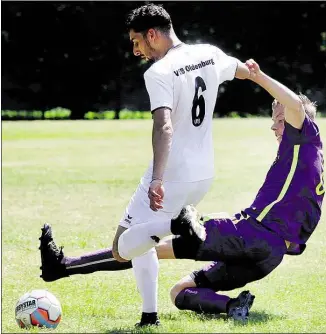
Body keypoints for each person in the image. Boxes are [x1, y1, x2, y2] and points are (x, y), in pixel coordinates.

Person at [39, 58, 324, 323]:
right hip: (268, 256)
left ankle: (65, 266)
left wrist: (258, 76)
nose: (273, 126)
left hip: (250, 235)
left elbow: (296, 106)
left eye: (278, 119)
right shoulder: (308, 156)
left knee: (162, 238)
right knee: (180, 290)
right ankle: (232, 307)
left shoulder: (305, 136)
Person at [97, 3, 251, 327]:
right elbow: (241, 69)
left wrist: (157, 179)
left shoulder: (159, 72)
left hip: (174, 175)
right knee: (143, 239)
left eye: (137, 42)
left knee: (122, 246)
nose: (136, 50)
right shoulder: (208, 53)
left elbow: (163, 126)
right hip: (204, 176)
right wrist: (258, 75)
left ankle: (177, 226)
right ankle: (149, 316)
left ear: (152, 34)